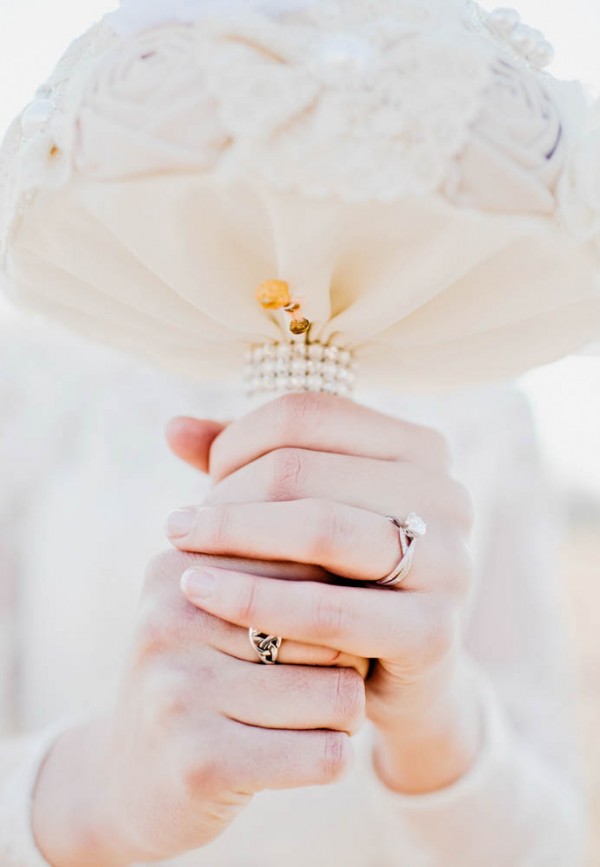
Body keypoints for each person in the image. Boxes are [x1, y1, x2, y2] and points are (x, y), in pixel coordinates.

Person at [0, 316, 586, 865]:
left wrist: (432, 717)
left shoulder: (482, 385)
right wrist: (101, 795)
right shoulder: (35, 361)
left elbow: (552, 847)